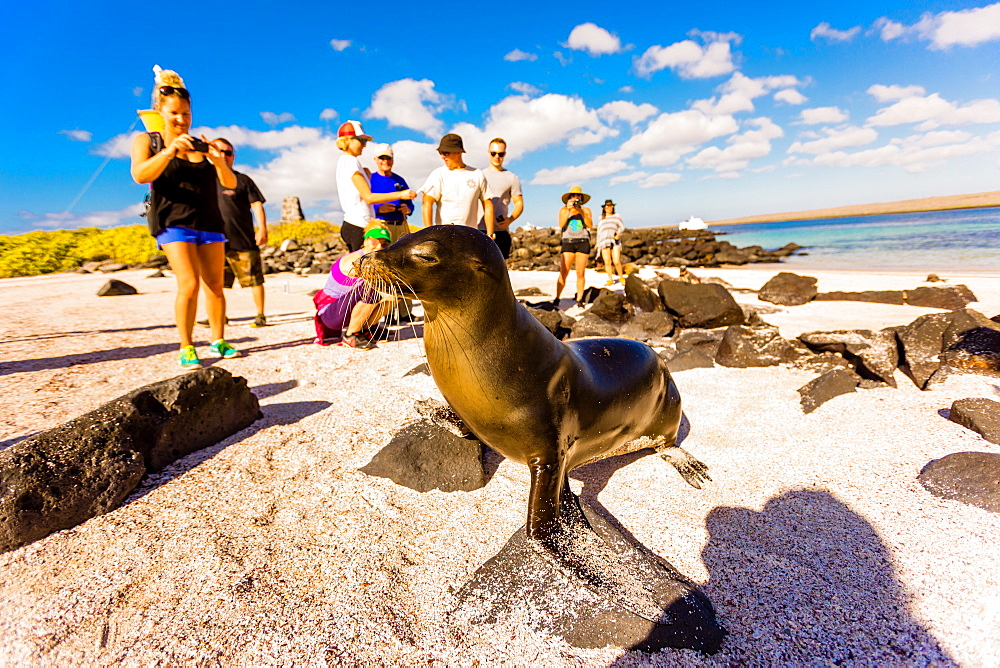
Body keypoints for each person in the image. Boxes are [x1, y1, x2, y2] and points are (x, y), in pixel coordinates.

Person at [130, 66, 240, 369]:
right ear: (160, 112)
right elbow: (140, 175)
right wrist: (168, 152)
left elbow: (229, 185)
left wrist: (218, 162)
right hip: (172, 223)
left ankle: (218, 339)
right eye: (175, 114)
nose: (181, 120)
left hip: (209, 223)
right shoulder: (148, 142)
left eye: (186, 114)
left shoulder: (201, 146)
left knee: (216, 286)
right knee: (189, 284)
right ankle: (187, 346)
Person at [212, 138, 269, 328]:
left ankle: (260, 315)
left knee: (254, 279)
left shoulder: (243, 180)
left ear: (233, 157)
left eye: (227, 153)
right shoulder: (205, 181)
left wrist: (262, 228)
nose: (223, 156)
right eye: (219, 151)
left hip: (243, 239)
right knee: (216, 283)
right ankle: (219, 316)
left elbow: (257, 205)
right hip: (215, 242)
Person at [336, 120, 416, 252]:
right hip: (358, 223)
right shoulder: (350, 162)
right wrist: (401, 194)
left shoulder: (350, 162)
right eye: (361, 141)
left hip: (359, 223)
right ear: (348, 141)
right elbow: (368, 197)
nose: (364, 146)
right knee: (359, 267)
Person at [313, 228, 396, 350]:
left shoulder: (377, 260)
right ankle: (351, 335)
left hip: (346, 310)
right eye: (375, 241)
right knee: (371, 288)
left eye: (384, 243)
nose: (379, 246)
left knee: (394, 293)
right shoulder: (354, 258)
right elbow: (361, 273)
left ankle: (365, 329)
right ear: (366, 241)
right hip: (330, 314)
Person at [420, 133, 494, 236]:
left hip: (470, 236)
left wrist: (490, 234)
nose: (442, 156)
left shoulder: (477, 174)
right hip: (444, 236)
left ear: (458, 152)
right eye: (440, 152)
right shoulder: (438, 174)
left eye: (445, 153)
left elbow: (488, 204)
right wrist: (428, 234)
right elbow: (426, 203)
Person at [480, 137, 523, 259]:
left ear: (505, 154)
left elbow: (519, 203)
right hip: (479, 230)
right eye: (493, 153)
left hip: (500, 232)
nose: (497, 157)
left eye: (501, 154)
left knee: (501, 274)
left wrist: (510, 220)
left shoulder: (512, 177)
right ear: (489, 152)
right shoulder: (479, 175)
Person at [554, 186, 594, 307]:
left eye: (578, 196)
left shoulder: (586, 210)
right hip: (568, 241)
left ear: (581, 198)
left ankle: (579, 299)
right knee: (564, 272)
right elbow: (561, 224)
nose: (575, 198)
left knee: (580, 273)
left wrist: (581, 212)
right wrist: (568, 209)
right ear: (569, 198)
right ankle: (557, 297)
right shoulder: (563, 210)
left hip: (583, 241)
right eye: (573, 196)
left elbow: (590, 225)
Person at [368, 143, 413, 244]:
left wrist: (407, 209)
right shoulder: (370, 179)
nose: (385, 161)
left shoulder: (400, 180)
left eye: (388, 158)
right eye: (382, 158)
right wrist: (379, 209)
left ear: (393, 160)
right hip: (380, 225)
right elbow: (365, 202)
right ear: (375, 159)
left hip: (400, 225)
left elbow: (410, 205)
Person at [596, 199, 625, 286]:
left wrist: (619, 234)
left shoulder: (616, 216)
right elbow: (599, 231)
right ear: (604, 208)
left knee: (616, 261)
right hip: (604, 241)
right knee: (607, 261)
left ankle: (621, 277)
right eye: (608, 206)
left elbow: (621, 227)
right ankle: (610, 279)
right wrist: (597, 243)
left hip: (614, 240)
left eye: (611, 206)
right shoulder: (601, 218)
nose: (609, 208)